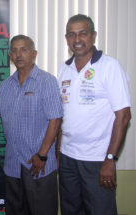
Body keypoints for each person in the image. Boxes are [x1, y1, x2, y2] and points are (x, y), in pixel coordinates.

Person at [0, 35, 63, 215]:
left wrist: (43, 155)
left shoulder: (46, 81)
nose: (18, 54)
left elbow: (55, 120)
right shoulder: (6, 85)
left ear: (34, 54)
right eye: (14, 50)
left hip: (37, 164)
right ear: (10, 55)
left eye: (24, 49)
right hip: (13, 164)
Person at [57, 14, 131, 215]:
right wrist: (58, 153)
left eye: (83, 33)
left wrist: (110, 159)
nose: (77, 39)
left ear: (93, 36)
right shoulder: (64, 69)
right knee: (70, 210)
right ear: (67, 39)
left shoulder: (109, 66)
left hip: (97, 160)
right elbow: (63, 117)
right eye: (72, 35)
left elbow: (123, 116)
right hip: (68, 159)